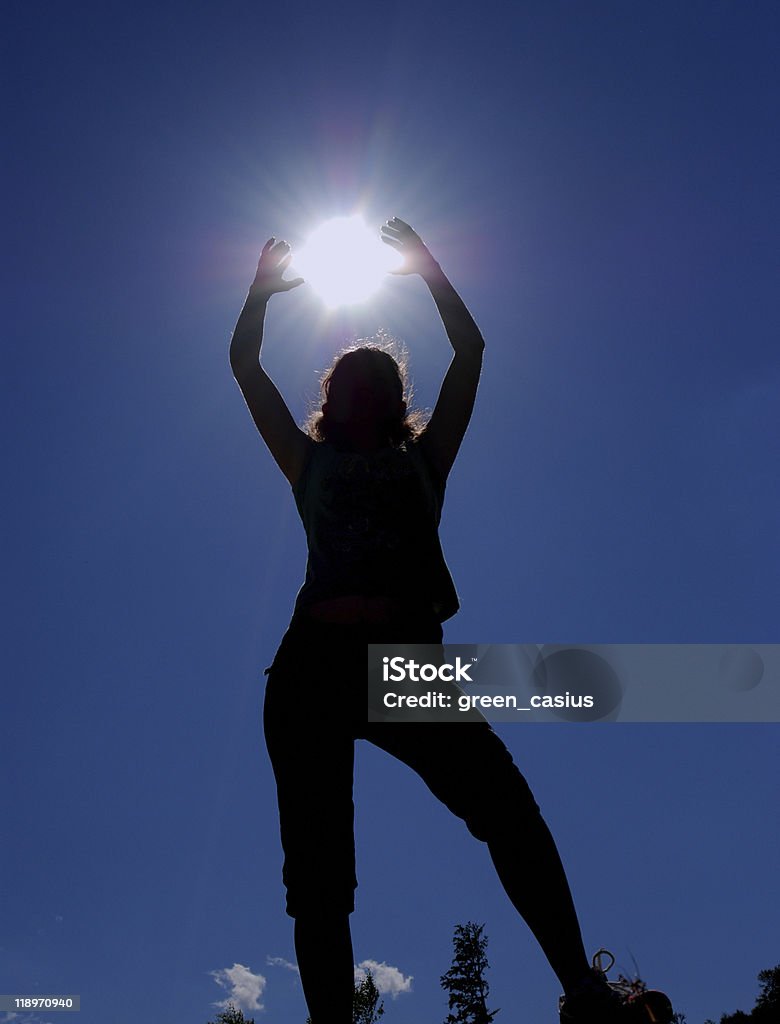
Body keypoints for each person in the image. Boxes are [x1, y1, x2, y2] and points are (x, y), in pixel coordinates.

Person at [229, 218, 668, 1024]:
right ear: (334, 401)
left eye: (375, 382)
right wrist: (258, 295)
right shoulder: (310, 465)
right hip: (314, 665)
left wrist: (430, 272)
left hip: (404, 659)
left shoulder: (423, 462)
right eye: (349, 382)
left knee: (505, 810)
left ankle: (584, 989)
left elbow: (470, 353)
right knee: (320, 877)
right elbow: (245, 368)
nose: (361, 391)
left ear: (395, 402)